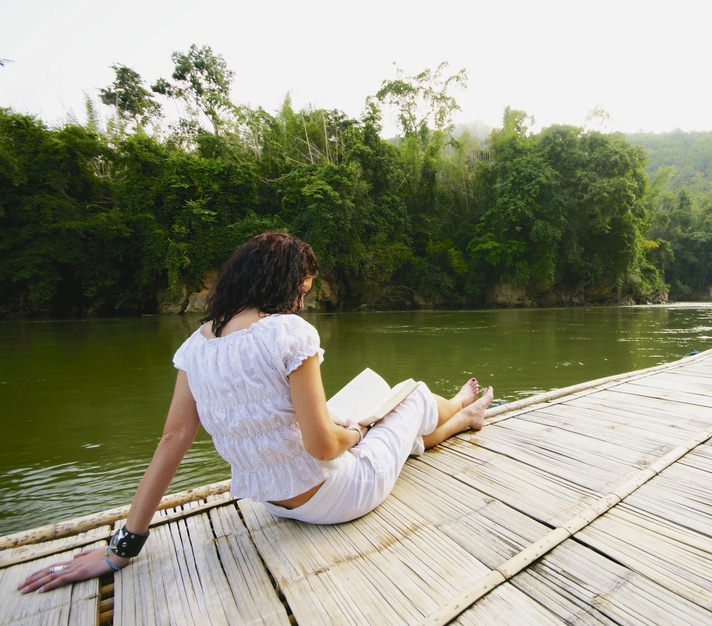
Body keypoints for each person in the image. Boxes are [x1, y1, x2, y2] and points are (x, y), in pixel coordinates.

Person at [19, 231, 493, 594]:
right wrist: (355, 431)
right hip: (335, 498)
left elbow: (171, 442)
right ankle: (454, 403)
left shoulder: (196, 344)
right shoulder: (290, 333)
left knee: (373, 424)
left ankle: (460, 420)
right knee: (408, 395)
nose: (302, 303)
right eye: (302, 291)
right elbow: (322, 446)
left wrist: (120, 552)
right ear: (280, 284)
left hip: (270, 500)